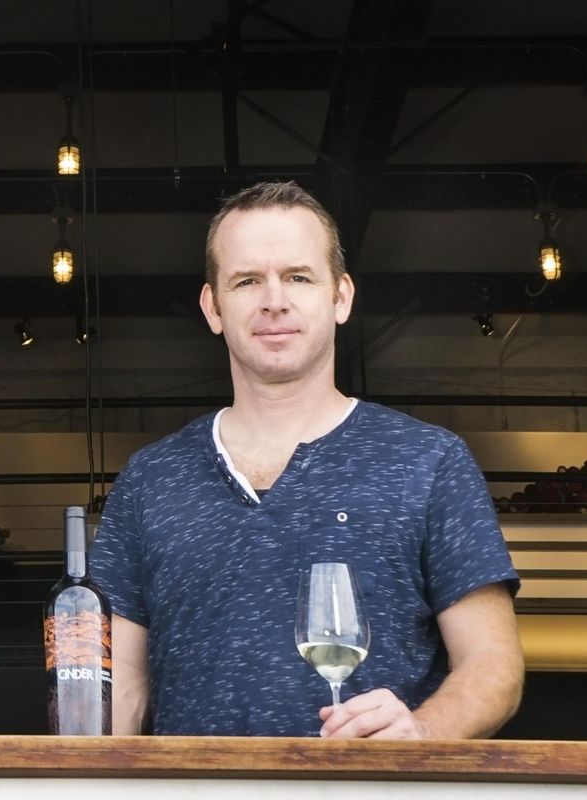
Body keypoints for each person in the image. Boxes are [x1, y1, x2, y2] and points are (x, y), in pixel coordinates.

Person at [89, 181, 524, 739]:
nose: (274, 300)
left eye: (298, 276)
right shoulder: (150, 480)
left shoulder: (430, 462)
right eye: (247, 281)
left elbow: (494, 666)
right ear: (213, 307)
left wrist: (423, 732)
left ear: (340, 297)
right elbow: (119, 683)